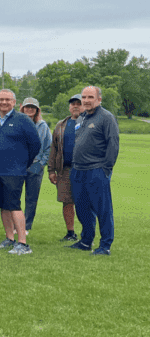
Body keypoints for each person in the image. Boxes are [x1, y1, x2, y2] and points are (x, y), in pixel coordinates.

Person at [0, 89, 41, 255]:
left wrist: (22, 162)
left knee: (14, 205)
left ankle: (23, 243)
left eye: (8, 100)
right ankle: (9, 238)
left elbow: (35, 144)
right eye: (1, 99)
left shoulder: (23, 120)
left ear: (14, 102)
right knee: (3, 206)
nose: (4, 102)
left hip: (15, 171)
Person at [69, 86, 119, 255]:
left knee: (103, 209)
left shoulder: (106, 118)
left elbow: (113, 144)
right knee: (82, 208)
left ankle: (105, 245)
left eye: (90, 97)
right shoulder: (81, 117)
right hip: (78, 170)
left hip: (96, 170)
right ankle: (85, 241)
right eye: (84, 97)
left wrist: (106, 169)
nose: (86, 100)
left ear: (99, 99)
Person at [48, 94, 83, 242]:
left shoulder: (89, 122)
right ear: (69, 107)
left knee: (85, 201)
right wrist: (51, 170)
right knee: (67, 202)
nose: (75, 106)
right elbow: (53, 149)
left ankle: (88, 233)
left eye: (78, 104)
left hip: (84, 169)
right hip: (65, 170)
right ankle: (70, 232)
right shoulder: (61, 125)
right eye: (73, 104)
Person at [19, 97, 52, 232]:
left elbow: (48, 147)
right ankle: (17, 224)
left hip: (35, 165)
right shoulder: (18, 123)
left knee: (31, 198)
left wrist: (42, 163)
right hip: (19, 165)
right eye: (27, 107)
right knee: (15, 197)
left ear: (37, 110)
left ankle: (26, 225)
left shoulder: (42, 126)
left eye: (33, 107)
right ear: (23, 108)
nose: (30, 109)